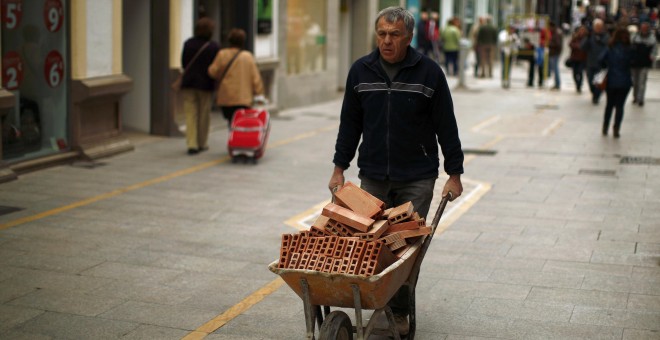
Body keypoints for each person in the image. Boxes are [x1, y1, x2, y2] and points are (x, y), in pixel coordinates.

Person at [327, 7, 464, 337]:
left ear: (409, 37)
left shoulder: (429, 73)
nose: (386, 41)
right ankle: (379, 304)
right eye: (381, 34)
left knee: (404, 251)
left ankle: (400, 311)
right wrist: (339, 168)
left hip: (417, 176)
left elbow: (447, 125)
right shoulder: (361, 71)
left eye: (394, 35)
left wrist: (455, 173)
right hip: (372, 175)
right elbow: (350, 125)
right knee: (372, 245)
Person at [180, 17, 220, 155]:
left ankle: (192, 144)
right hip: (206, 84)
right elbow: (216, 67)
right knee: (204, 114)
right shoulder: (214, 47)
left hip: (189, 83)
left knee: (190, 114)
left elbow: (184, 64)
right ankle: (202, 143)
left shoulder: (188, 44)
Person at [208, 28, 265, 126]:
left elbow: (212, 72)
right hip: (244, 98)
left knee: (231, 121)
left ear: (229, 40)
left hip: (226, 97)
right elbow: (256, 78)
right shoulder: (248, 56)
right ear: (243, 41)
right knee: (241, 122)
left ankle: (233, 137)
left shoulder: (222, 54)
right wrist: (259, 93)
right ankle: (239, 138)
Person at [600, 27, 633, 138]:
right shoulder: (630, 49)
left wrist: (607, 65)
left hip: (612, 81)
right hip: (625, 82)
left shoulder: (610, 47)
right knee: (620, 106)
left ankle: (605, 126)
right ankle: (616, 128)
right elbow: (634, 62)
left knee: (609, 105)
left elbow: (600, 60)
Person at [581, 18, 610, 104]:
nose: (598, 29)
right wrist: (587, 37)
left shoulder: (606, 36)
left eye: (599, 27)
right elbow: (583, 47)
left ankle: (596, 96)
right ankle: (594, 93)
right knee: (590, 81)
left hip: (601, 64)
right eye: (596, 27)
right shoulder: (590, 36)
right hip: (590, 62)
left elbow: (608, 47)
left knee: (598, 82)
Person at [630, 22, 657, 106]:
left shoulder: (652, 38)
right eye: (643, 28)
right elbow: (630, 47)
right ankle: (635, 97)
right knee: (635, 82)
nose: (644, 29)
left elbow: (654, 50)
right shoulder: (635, 37)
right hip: (634, 63)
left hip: (645, 63)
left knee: (642, 82)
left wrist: (652, 56)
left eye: (645, 28)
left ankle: (640, 98)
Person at [568, 25, 589, 93]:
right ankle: (577, 84)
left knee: (580, 72)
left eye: (583, 30)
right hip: (574, 58)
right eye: (580, 30)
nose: (581, 32)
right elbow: (570, 44)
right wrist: (577, 46)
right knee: (574, 73)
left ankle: (579, 86)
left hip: (582, 58)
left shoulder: (586, 38)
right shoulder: (575, 37)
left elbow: (586, 48)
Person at [547, 21, 563, 90]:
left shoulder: (556, 33)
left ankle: (557, 84)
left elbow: (558, 44)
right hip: (554, 53)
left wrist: (549, 44)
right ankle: (557, 83)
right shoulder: (555, 33)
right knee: (554, 69)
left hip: (554, 53)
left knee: (555, 69)